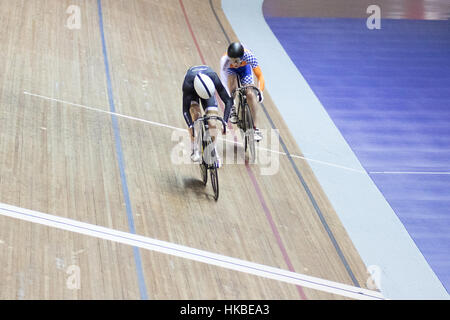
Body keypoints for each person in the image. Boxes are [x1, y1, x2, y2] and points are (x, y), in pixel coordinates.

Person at [182, 65, 233, 165]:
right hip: (193, 92)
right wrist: (191, 126)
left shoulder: (213, 77)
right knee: (195, 116)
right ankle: (194, 148)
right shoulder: (188, 83)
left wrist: (225, 122)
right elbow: (185, 110)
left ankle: (213, 149)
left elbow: (228, 101)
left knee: (212, 122)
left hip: (207, 91)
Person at [220, 42, 265, 141]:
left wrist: (260, 91)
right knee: (232, 84)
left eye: (236, 61)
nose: (234, 64)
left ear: (242, 57)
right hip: (231, 71)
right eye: (232, 61)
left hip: (245, 69)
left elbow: (260, 76)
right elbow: (223, 83)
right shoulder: (225, 60)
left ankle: (255, 128)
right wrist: (229, 101)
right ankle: (233, 108)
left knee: (250, 94)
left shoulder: (249, 56)